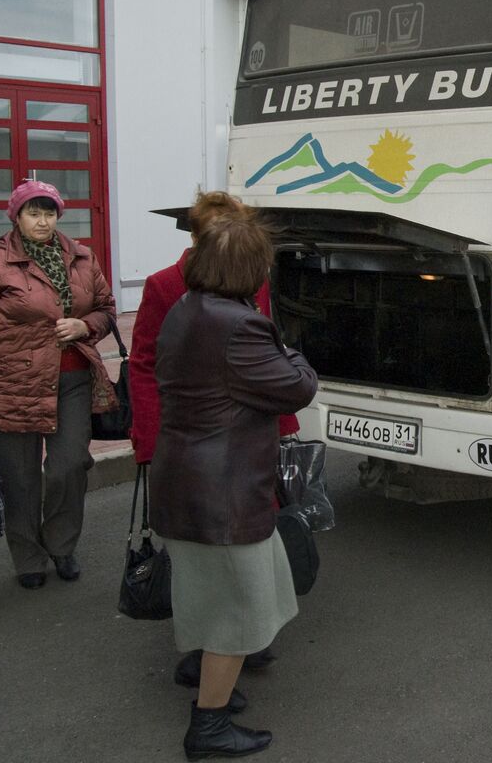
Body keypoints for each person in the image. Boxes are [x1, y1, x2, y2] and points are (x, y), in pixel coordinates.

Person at [150, 210, 318, 759]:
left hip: (187, 480)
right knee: (235, 611)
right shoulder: (239, 324)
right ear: (249, 269)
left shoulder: (187, 307)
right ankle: (209, 724)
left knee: (211, 593)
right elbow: (296, 388)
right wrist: (292, 350)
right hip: (221, 492)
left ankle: (201, 670)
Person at [129, 191, 300, 690]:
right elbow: (144, 364)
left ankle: (242, 641)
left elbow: (262, 353)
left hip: (245, 441)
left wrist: (283, 424)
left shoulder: (245, 281)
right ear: (199, 237)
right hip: (207, 449)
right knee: (217, 556)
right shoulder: (168, 286)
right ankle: (218, 655)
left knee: (251, 547)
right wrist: (149, 440)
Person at [0, 179, 117, 589]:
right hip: (10, 383)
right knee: (18, 477)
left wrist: (84, 324)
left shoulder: (82, 257)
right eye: (33, 213)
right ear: (16, 217)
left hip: (72, 380)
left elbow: (107, 309)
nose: (43, 221)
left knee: (69, 467)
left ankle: (61, 545)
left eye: (49, 213)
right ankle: (28, 558)